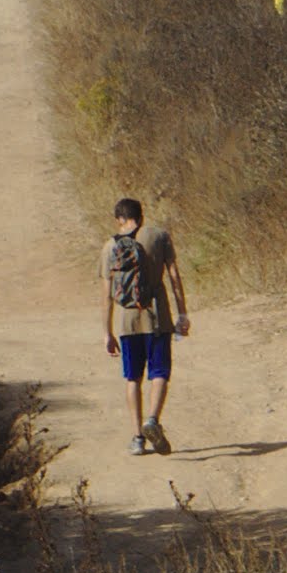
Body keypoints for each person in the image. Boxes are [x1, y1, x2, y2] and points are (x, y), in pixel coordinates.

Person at [103, 195, 190, 455]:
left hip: (128, 321)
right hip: (157, 318)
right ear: (142, 216)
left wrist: (107, 331)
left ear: (119, 219)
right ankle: (152, 419)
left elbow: (106, 294)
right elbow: (174, 277)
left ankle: (138, 438)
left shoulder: (110, 246)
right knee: (159, 372)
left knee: (133, 378)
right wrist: (182, 313)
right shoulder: (159, 236)